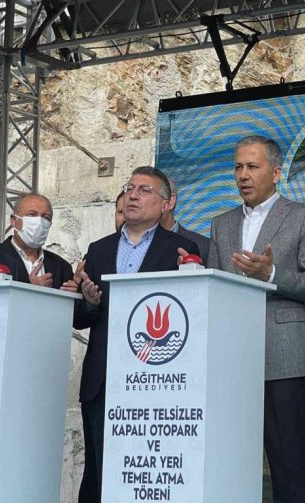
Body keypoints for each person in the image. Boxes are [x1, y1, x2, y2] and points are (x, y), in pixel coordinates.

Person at [205, 135, 305, 502]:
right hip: (232, 359)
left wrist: (271, 274)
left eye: (252, 166)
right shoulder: (221, 224)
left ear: (276, 173)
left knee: (290, 463)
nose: (243, 175)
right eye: (238, 167)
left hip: (283, 355)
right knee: (229, 458)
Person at [74, 166, 199, 503]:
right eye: (130, 188)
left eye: (145, 190)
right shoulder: (98, 249)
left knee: (143, 477)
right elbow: (80, 318)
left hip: (155, 381)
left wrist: (192, 276)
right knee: (99, 475)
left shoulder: (182, 249)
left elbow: (190, 316)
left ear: (166, 204)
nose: (133, 195)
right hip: (103, 379)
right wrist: (88, 302)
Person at [0, 193, 81, 291]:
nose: (39, 221)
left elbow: (71, 299)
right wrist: (29, 286)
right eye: (32, 214)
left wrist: (78, 290)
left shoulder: (62, 267)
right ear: (14, 220)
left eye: (46, 217)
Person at [160, 175, 210, 263]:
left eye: (146, 192)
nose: (135, 197)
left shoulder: (203, 245)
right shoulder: (135, 244)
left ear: (170, 201)